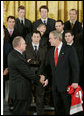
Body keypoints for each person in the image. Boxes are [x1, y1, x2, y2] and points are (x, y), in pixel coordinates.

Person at [8, 36, 45, 115]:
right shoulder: (16, 57)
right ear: (19, 45)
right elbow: (27, 72)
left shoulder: (15, 54)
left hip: (20, 90)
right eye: (24, 43)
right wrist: (39, 78)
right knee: (20, 111)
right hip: (20, 91)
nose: (26, 45)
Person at [46, 30, 79, 115]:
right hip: (55, 86)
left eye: (50, 38)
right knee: (57, 109)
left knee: (67, 109)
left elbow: (75, 66)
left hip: (67, 86)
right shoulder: (50, 51)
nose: (49, 40)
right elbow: (47, 67)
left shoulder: (69, 49)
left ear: (57, 39)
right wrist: (45, 77)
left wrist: (75, 81)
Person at [24, 31, 48, 115]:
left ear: (40, 38)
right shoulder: (26, 48)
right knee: (26, 98)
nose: (36, 38)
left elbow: (45, 64)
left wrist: (45, 76)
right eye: (34, 36)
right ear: (31, 37)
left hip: (40, 77)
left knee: (40, 99)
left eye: (38, 37)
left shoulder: (44, 49)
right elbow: (23, 63)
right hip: (28, 77)